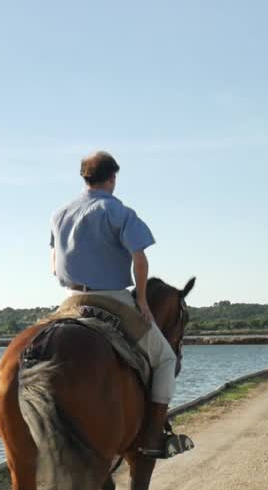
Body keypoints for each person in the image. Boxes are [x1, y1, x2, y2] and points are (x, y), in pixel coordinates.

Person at [49, 151, 180, 459]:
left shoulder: (59, 214)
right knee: (164, 360)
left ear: (84, 178)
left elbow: (54, 267)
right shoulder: (118, 211)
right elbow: (140, 258)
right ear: (112, 178)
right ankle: (153, 438)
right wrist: (143, 300)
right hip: (111, 298)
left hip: (70, 300)